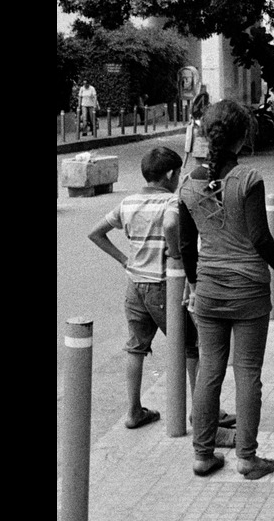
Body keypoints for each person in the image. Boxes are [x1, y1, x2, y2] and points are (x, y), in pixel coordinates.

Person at [178, 99, 274, 478]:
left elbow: (186, 246)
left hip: (210, 291)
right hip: (249, 290)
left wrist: (195, 285)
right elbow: (260, 236)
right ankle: (247, 459)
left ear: (204, 135)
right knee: (248, 372)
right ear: (243, 137)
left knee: (209, 370)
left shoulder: (187, 185)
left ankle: (203, 455)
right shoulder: (248, 179)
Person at [87, 147, 207, 431]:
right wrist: (176, 255)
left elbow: (95, 232)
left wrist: (124, 260)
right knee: (191, 345)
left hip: (135, 284)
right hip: (164, 285)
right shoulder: (172, 202)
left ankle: (133, 411)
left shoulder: (128, 202)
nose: (178, 179)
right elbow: (169, 224)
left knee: (136, 347)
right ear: (169, 175)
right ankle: (198, 412)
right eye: (177, 174)